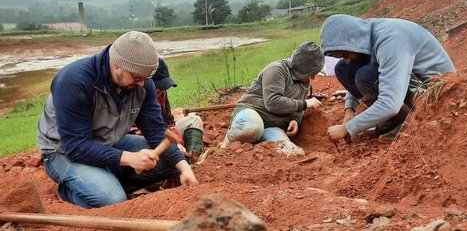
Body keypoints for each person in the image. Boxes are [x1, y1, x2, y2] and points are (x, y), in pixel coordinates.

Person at [37, 31, 198, 209]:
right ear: (116, 66)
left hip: (108, 142)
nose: (142, 84)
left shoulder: (141, 81)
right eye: (137, 78)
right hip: (63, 151)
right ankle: (69, 191)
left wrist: (183, 167)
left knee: (172, 162)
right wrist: (128, 158)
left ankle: (103, 179)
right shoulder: (74, 81)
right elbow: (76, 147)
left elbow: (154, 128)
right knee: (112, 200)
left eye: (145, 79)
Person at [319, 14, 456, 142]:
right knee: (343, 68)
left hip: (436, 92)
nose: (347, 59)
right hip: (413, 81)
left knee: (366, 76)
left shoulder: (390, 40)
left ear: (353, 41)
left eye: (345, 54)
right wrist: (349, 110)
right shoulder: (365, 34)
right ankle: (393, 119)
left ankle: (411, 122)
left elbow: (390, 103)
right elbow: (350, 67)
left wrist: (347, 128)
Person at [220, 42, 325, 148]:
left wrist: (295, 120)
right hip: (253, 112)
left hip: (273, 125)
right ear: (302, 69)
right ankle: (225, 146)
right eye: (311, 73)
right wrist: (304, 104)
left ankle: (254, 145)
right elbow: (273, 102)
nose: (313, 78)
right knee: (250, 129)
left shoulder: (304, 81)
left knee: (290, 152)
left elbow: (298, 107)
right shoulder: (277, 70)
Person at [132, 57, 204, 163]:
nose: (161, 91)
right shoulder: (134, 95)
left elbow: (169, 120)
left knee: (194, 120)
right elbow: (133, 131)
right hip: (146, 139)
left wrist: (175, 137)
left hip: (163, 133)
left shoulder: (162, 94)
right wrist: (168, 142)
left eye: (163, 88)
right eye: (158, 88)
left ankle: (191, 160)